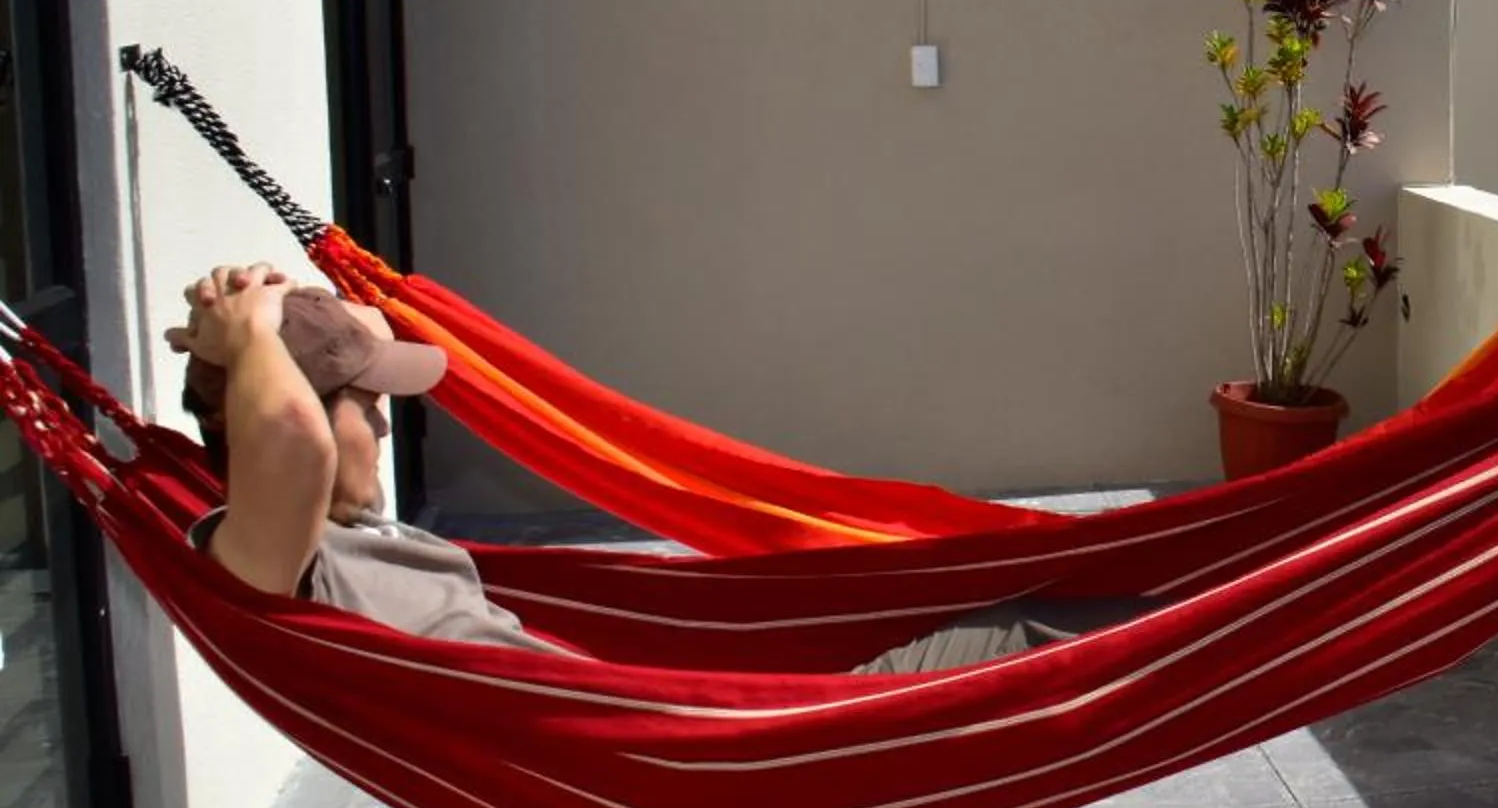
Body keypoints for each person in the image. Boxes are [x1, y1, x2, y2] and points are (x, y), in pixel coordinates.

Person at [173, 261, 1140, 668]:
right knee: (1065, 642)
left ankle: (1222, 618)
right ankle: (1244, 635)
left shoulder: (332, 540)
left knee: (1013, 595)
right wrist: (252, 331)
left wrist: (263, 339)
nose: (385, 427)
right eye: (366, 404)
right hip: (713, 760)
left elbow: (300, 437)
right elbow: (291, 446)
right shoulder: (267, 558)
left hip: (669, 715)